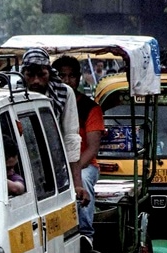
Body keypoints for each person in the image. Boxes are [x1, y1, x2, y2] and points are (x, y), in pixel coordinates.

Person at [19, 48, 88, 206]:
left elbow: (71, 137)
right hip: (21, 165)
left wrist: (77, 184)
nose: (36, 81)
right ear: (23, 74)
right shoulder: (12, 92)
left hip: (53, 162)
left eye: (41, 75)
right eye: (30, 75)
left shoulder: (64, 92)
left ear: (49, 73)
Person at [52, 55, 105, 243]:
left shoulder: (90, 108)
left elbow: (92, 148)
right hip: (53, 166)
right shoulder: (48, 104)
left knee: (81, 181)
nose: (67, 81)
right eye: (62, 76)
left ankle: (85, 234)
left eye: (71, 76)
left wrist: (71, 169)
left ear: (79, 78)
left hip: (84, 165)